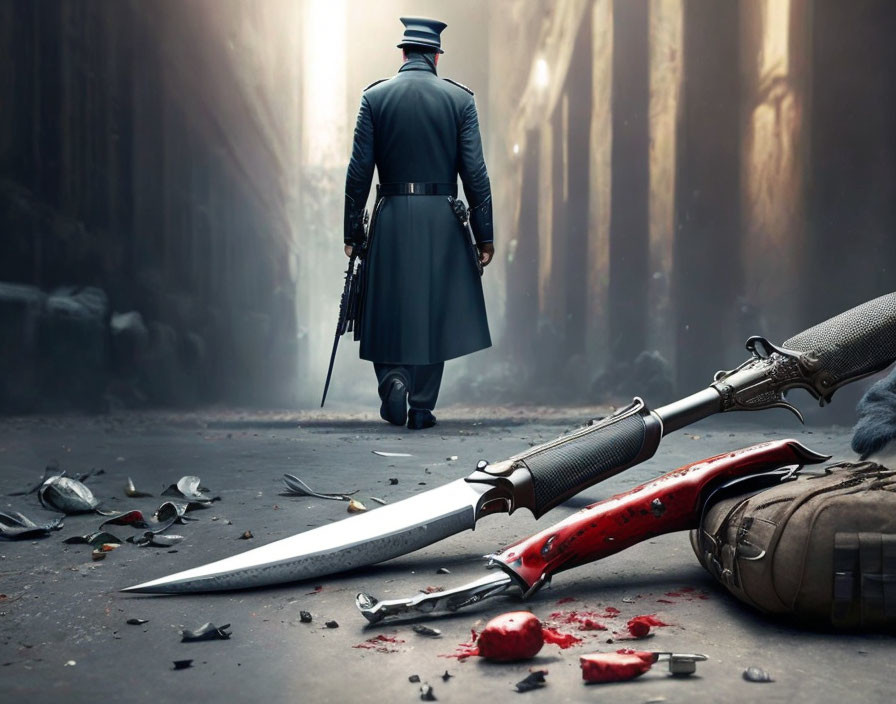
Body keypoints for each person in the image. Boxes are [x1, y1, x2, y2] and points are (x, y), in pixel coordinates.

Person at [343, 16, 494, 430]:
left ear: (404, 53)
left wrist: (353, 231)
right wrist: (485, 234)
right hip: (441, 216)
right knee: (435, 309)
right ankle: (423, 405)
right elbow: (475, 173)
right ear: (436, 56)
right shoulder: (460, 101)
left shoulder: (374, 99)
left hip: (390, 211)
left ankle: (392, 376)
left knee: (387, 303)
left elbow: (358, 172)